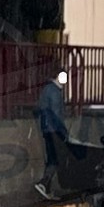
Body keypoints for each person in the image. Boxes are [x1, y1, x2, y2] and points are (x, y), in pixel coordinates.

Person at [34, 70, 69, 200]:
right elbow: (56, 113)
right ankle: (43, 183)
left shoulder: (46, 89)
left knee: (51, 158)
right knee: (55, 159)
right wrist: (63, 131)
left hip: (46, 128)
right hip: (54, 130)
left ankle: (46, 188)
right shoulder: (55, 91)